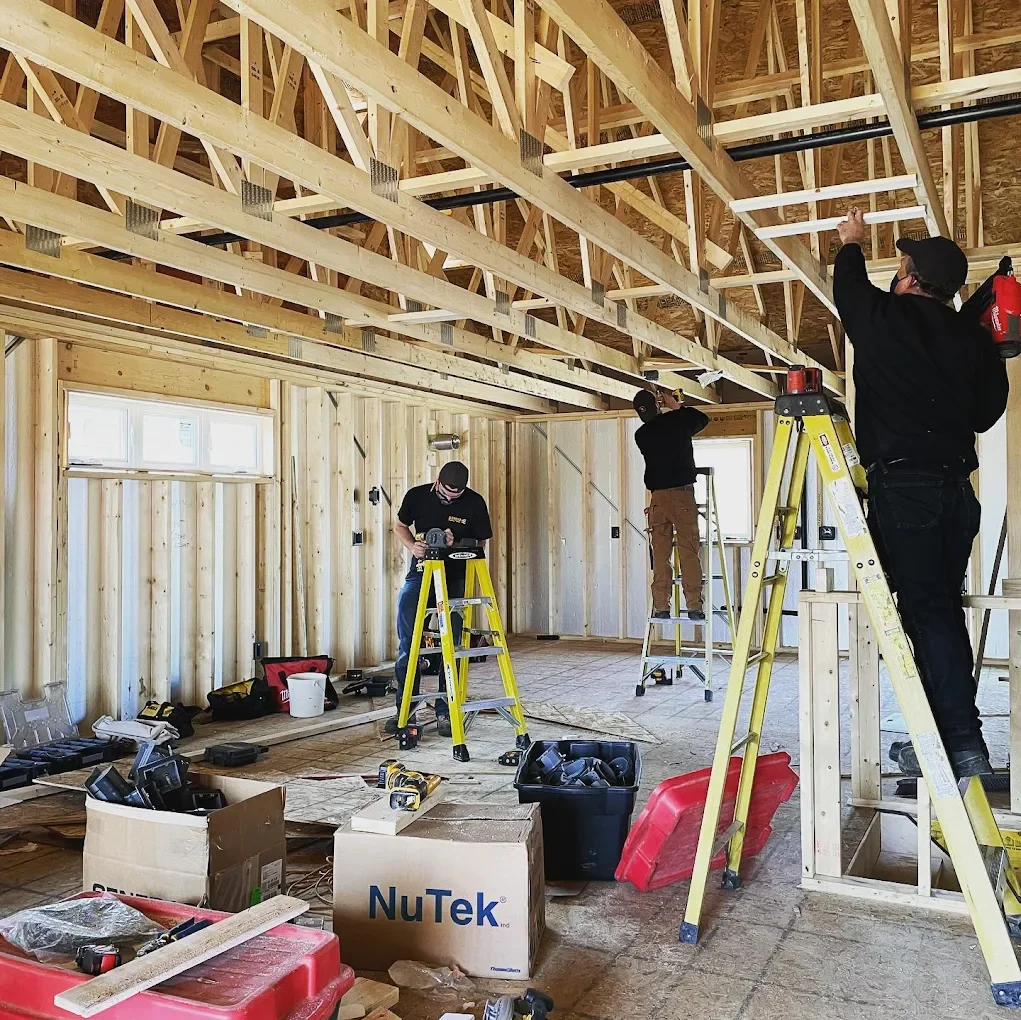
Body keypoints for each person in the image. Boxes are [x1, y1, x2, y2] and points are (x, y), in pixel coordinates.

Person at [834, 207, 1009, 778]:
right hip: (957, 496)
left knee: (928, 616)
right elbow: (985, 415)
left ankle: (959, 746)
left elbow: (848, 290)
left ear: (908, 277)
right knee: (937, 615)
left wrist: (852, 241)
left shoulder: (885, 317)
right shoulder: (972, 339)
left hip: (904, 490)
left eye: (902, 264)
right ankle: (943, 736)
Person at [390, 461, 493, 738]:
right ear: (438, 481)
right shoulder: (417, 495)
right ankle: (405, 708)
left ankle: (446, 710)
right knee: (408, 642)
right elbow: (400, 525)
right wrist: (414, 546)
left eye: (456, 495)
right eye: (446, 492)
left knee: (454, 647)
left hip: (454, 578)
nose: (450, 498)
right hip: (421, 573)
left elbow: (481, 543)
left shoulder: (474, 503)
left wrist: (455, 542)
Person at [633, 389, 710, 622]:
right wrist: (674, 405)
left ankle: (661, 607)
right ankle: (694, 607)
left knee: (661, 555)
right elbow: (701, 419)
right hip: (681, 496)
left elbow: (659, 426)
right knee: (688, 552)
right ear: (658, 404)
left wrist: (663, 409)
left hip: (657, 500)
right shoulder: (677, 421)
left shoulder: (641, 435)